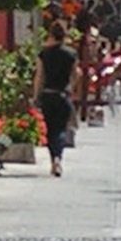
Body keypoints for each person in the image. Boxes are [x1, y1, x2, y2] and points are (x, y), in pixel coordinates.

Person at [32, 20, 78, 178]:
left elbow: (39, 76)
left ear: (51, 34)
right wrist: (70, 87)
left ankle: (54, 160)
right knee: (61, 129)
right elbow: (75, 74)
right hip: (62, 94)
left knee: (50, 130)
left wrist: (35, 96)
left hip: (48, 94)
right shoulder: (71, 54)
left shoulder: (43, 54)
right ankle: (58, 158)